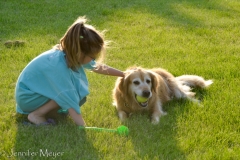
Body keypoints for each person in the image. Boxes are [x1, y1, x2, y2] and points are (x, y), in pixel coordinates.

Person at [15, 16, 124, 126]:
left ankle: (50, 112)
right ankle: (37, 114)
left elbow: (97, 67)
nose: (93, 60)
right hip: (28, 97)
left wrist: (123, 74)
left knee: (72, 92)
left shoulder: (70, 54)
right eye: (92, 57)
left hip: (35, 93)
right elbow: (68, 97)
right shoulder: (59, 67)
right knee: (70, 92)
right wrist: (83, 127)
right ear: (80, 53)